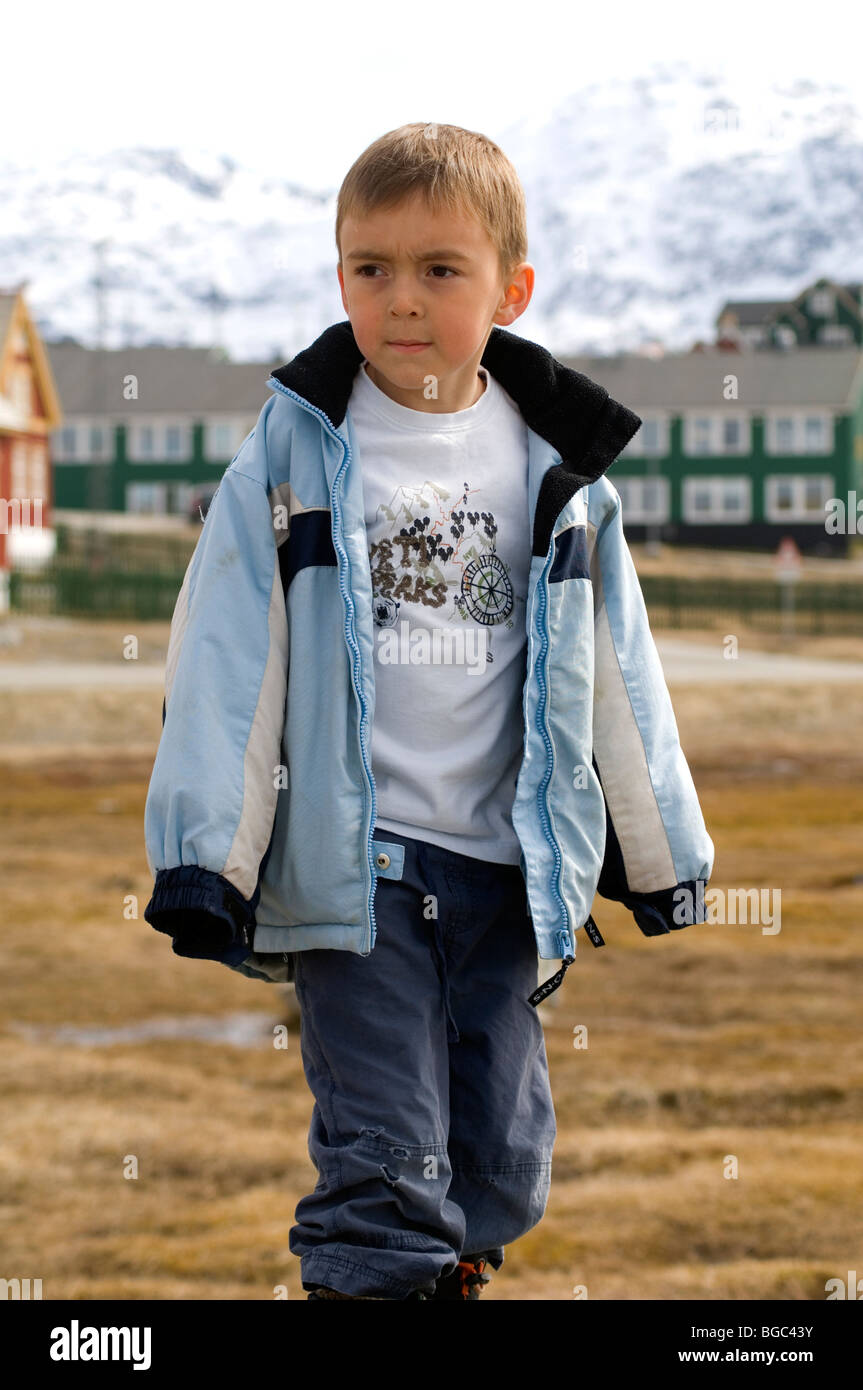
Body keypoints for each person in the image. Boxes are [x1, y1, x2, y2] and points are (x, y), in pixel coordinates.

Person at [143, 122, 714, 1301]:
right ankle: (373, 1279)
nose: (401, 301)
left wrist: (660, 855)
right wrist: (208, 860)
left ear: (510, 289)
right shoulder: (295, 447)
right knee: (385, 1141)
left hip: (505, 863)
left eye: (439, 271)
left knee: (496, 1153)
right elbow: (224, 660)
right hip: (355, 868)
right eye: (370, 268)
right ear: (339, 274)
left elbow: (617, 668)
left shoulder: (556, 464)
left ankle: (447, 1268)